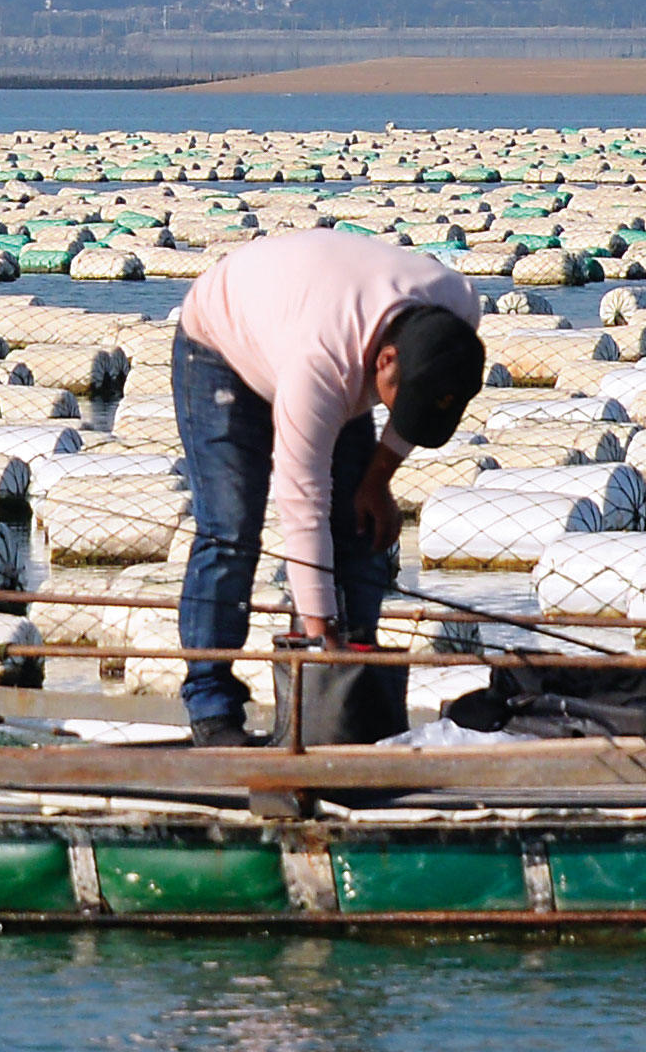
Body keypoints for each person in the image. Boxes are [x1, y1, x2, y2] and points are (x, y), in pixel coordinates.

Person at [168, 226, 486, 744]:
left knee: (359, 523)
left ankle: (348, 694)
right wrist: (322, 636)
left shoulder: (458, 310)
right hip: (220, 345)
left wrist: (377, 481)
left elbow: (416, 407)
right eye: (399, 403)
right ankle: (213, 709)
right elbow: (302, 506)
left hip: (310, 319)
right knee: (232, 528)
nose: (397, 415)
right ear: (385, 360)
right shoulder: (321, 367)